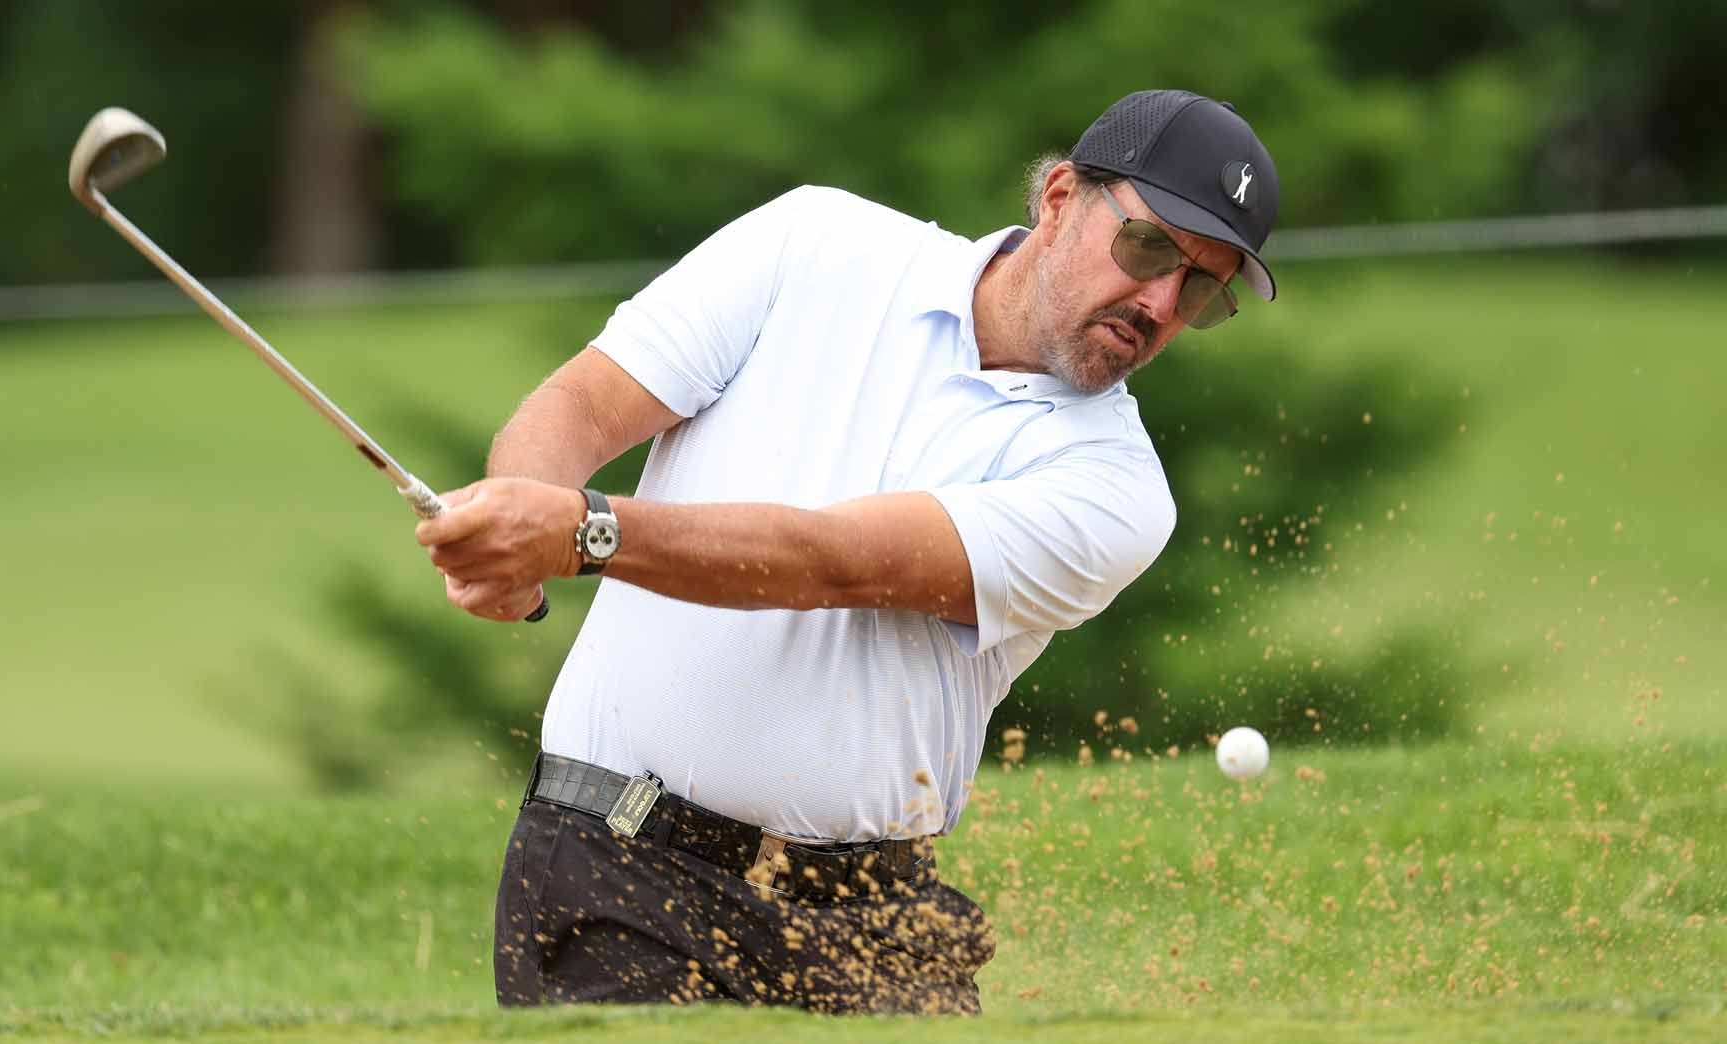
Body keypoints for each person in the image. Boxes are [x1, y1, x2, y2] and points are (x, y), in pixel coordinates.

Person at [413, 88, 1281, 1014]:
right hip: (620, 870)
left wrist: (580, 533)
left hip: (875, 919)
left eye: (1200, 289)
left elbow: (837, 563)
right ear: (1061, 199)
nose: (1157, 301)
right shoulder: (814, 243)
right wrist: (525, 526)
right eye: (1149, 248)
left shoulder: (1115, 489)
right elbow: (581, 410)